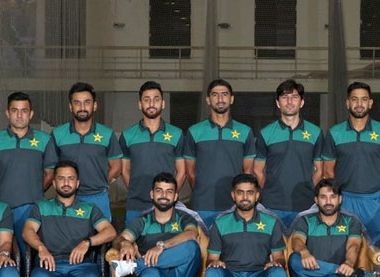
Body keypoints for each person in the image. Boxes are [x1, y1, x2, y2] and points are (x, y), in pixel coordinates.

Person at [323, 82, 380, 243]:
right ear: (347, 103)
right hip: (345, 200)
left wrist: (377, 190)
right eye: (354, 99)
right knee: (343, 245)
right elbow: (328, 171)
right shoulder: (335, 132)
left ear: (370, 103)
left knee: (377, 248)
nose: (359, 104)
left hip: (374, 201)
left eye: (364, 99)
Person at [0, 92, 57, 258]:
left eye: (24, 111)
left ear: (31, 114)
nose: (19, 115)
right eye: (15, 110)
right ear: (7, 113)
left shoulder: (44, 139)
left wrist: (32, 192)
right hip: (0, 209)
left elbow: (50, 174)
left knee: (30, 257)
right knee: (1, 254)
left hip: (31, 209)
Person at [184, 79, 255, 226]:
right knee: (204, 247)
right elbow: (190, 172)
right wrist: (202, 192)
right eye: (215, 95)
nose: (220, 99)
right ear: (208, 100)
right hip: (203, 206)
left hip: (234, 206)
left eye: (224, 94)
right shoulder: (194, 131)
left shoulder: (245, 131)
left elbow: (248, 171)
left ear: (232, 99)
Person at [253, 79, 323, 227]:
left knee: (301, 248)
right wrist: (266, 195)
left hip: (305, 205)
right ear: (278, 103)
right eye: (285, 97)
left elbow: (320, 170)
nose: (289, 101)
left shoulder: (315, 132)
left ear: (302, 102)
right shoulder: (266, 133)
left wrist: (311, 192)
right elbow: (258, 171)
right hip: (271, 206)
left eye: (294, 97)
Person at [52, 82, 122, 221]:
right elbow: (51, 169)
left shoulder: (107, 134)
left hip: (98, 197)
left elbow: (117, 167)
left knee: (102, 238)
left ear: (94, 106)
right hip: (68, 198)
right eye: (77, 103)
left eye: (87, 102)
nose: (82, 107)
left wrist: (100, 182)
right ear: (70, 106)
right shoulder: (58, 134)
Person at [120, 82, 186, 223]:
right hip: (135, 205)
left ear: (162, 104)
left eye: (156, 99)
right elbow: (124, 170)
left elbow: (182, 172)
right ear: (140, 104)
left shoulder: (176, 134)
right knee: (131, 243)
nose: (151, 103)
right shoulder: (127, 135)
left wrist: (168, 195)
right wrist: (136, 191)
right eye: (146, 99)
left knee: (165, 243)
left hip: (166, 206)